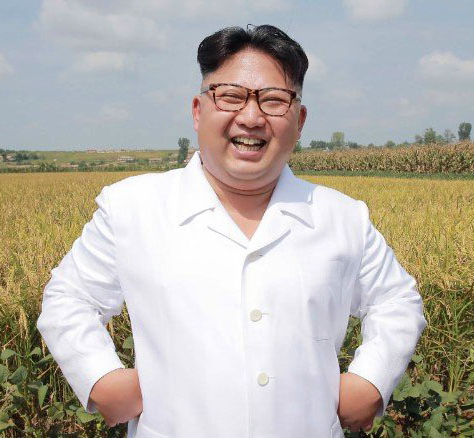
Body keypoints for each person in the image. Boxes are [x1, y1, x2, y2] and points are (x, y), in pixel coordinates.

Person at [37, 24, 426, 438]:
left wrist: (371, 380)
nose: (252, 117)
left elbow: (396, 300)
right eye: (231, 96)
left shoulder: (343, 217)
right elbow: (69, 298)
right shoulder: (132, 208)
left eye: (274, 100)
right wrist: (99, 377)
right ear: (198, 110)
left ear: (299, 121)